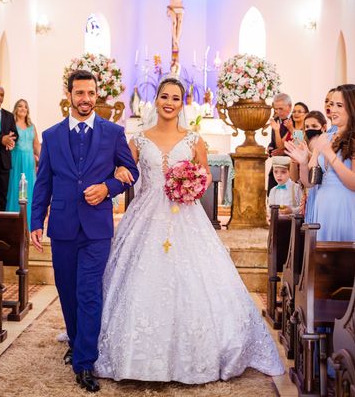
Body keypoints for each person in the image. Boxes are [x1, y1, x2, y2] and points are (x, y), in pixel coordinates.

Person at [94, 77, 284, 384]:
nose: (169, 102)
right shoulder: (139, 139)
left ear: (182, 104)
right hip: (146, 214)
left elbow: (206, 174)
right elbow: (125, 172)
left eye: (175, 98)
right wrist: (119, 171)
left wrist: (194, 182)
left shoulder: (194, 140)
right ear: (156, 100)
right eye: (164, 96)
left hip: (186, 214)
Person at [30, 70, 139, 393]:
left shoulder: (113, 132)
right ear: (69, 95)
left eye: (91, 93)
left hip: (96, 227)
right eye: (80, 93)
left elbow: (130, 170)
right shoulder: (51, 136)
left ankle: (85, 361)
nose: (86, 99)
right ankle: (77, 343)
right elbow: (44, 182)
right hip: (62, 226)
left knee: (89, 291)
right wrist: (36, 221)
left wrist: (108, 188)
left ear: (97, 95)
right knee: (67, 290)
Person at [288, 85, 355, 242]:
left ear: (353, 108)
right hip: (322, 206)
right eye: (331, 104)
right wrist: (303, 163)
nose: (332, 109)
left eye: (339, 105)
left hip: (345, 206)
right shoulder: (324, 138)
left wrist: (329, 154)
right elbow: (310, 182)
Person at [140, 0, 215, 54]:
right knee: (174, 22)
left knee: (179, 24)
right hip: (171, 8)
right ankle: (175, 42)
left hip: (180, 9)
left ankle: (176, 42)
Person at [287, 110, 328, 221]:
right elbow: (294, 178)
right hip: (307, 195)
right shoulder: (302, 143)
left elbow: (320, 168)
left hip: (322, 192)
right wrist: (294, 160)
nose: (310, 129)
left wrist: (307, 155)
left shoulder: (327, 144)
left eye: (314, 126)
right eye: (307, 126)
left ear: (323, 127)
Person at [6, 99, 40, 225]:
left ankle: (29, 223)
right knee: (15, 189)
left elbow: (36, 146)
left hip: (29, 162)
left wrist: (42, 161)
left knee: (29, 191)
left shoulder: (32, 126)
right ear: (15, 108)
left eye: (25, 107)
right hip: (16, 160)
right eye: (20, 106)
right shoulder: (11, 124)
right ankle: (13, 223)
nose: (23, 108)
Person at [267, 93, 293, 193]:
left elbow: (299, 141)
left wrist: (282, 150)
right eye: (276, 109)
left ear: (289, 106)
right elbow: (273, 142)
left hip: (290, 166)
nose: (278, 112)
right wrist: (270, 148)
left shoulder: (295, 120)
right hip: (276, 165)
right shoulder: (276, 120)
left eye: (281, 109)